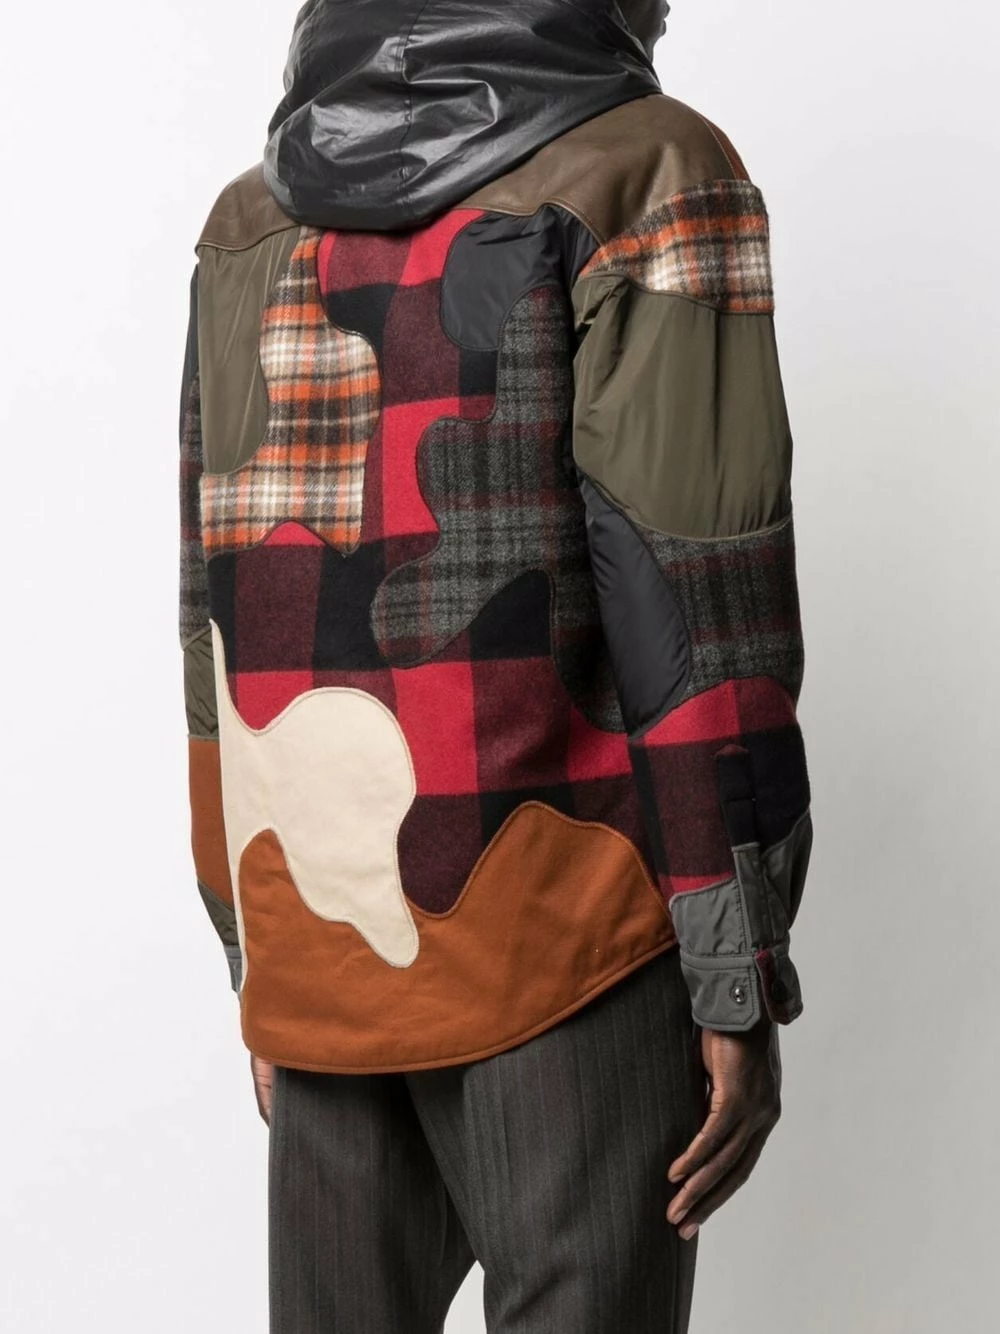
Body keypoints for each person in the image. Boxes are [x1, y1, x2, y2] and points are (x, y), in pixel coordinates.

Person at [177, 1, 814, 1329]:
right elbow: (700, 592)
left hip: (326, 940)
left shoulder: (251, 219)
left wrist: (259, 950)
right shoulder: (650, 169)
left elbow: (215, 617)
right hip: (566, 940)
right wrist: (735, 963)